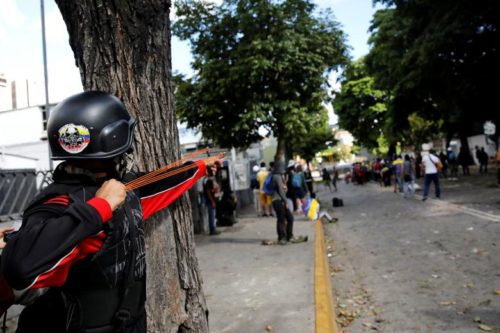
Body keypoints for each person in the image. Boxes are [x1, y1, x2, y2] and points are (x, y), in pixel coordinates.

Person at [0, 91, 218, 332]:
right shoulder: (59, 203)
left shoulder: (122, 190)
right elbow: (19, 267)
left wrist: (199, 167)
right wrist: (99, 208)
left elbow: (160, 182)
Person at [270, 160, 295, 245]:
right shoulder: (276, 176)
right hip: (277, 201)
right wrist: (286, 201)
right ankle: (282, 238)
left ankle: (289, 236)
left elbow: (283, 189)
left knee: (290, 218)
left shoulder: (280, 176)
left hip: (281, 200)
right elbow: (280, 191)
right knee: (281, 219)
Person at [204, 163, 222, 235]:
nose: (215, 171)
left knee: (213, 215)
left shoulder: (211, 178)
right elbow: (208, 192)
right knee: (211, 215)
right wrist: (212, 201)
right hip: (210, 201)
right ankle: (212, 230)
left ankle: (213, 228)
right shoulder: (207, 180)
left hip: (214, 200)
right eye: (213, 169)